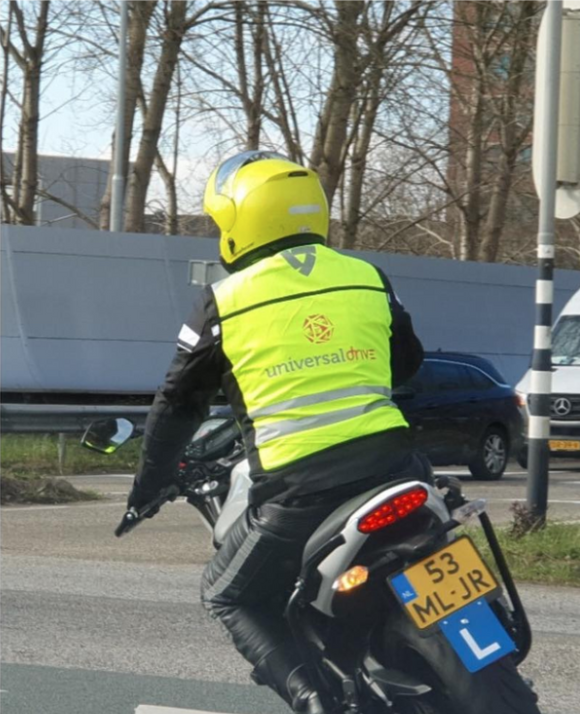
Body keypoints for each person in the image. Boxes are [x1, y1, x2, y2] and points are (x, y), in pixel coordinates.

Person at [126, 151, 427, 714]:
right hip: (401, 470)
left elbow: (178, 406)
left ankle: (316, 699)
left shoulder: (225, 302)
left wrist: (147, 488)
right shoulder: (366, 276)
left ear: (241, 223)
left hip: (299, 493)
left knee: (226, 593)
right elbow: (407, 363)